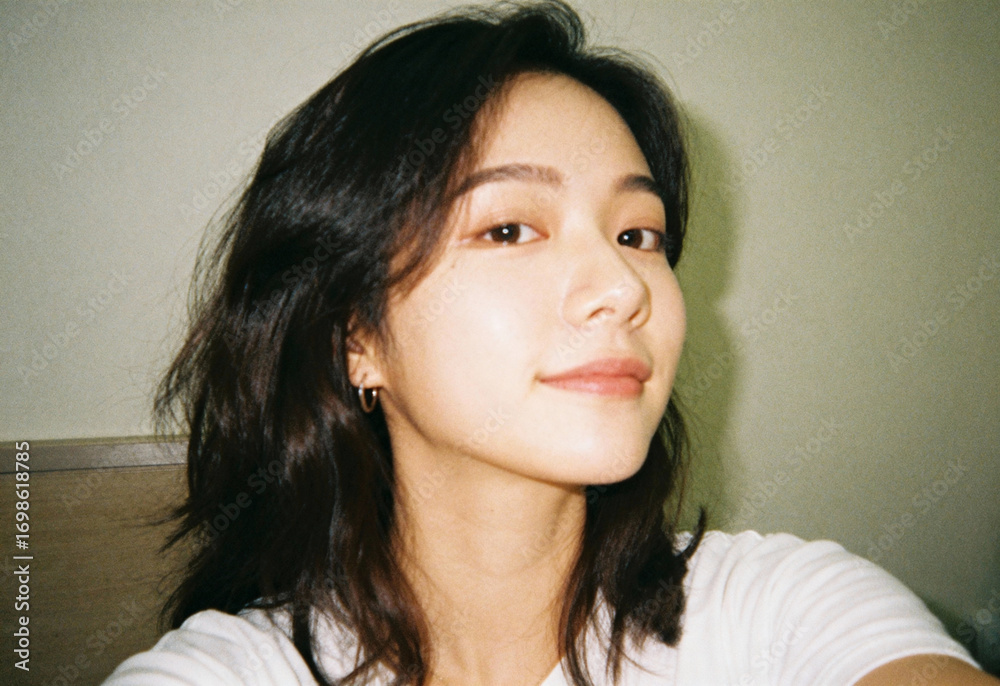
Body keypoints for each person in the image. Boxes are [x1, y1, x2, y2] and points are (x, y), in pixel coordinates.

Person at [103, 2, 997, 685]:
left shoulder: (782, 610)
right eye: (509, 230)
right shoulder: (239, 669)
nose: (624, 287)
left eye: (638, 235)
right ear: (355, 338)